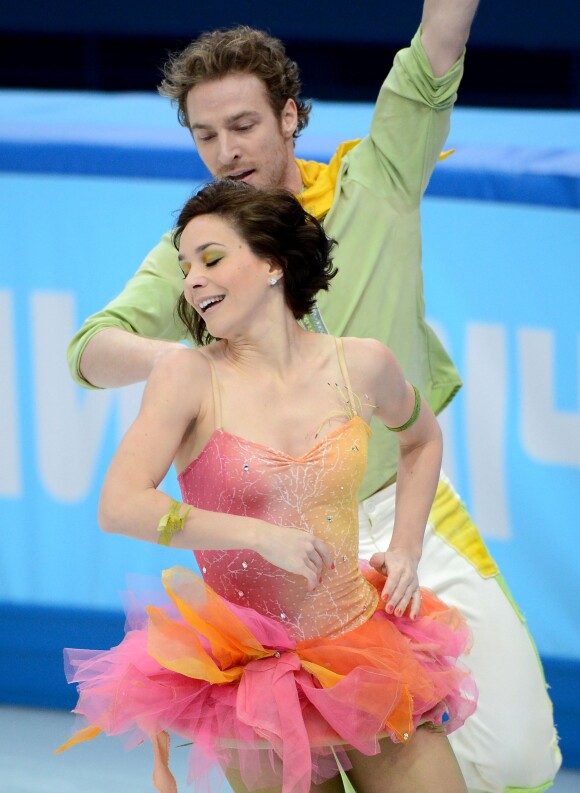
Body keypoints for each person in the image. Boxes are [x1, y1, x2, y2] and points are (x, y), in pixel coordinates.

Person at [66, 4, 561, 792]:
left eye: (244, 125)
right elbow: (91, 350)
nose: (226, 152)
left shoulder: (381, 177)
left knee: (520, 757)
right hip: (278, 549)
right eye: (205, 135)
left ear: (290, 116)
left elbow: (440, 40)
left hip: (403, 509)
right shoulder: (196, 253)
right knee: (303, 766)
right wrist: (187, 363)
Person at [59, 180, 476, 793]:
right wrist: (257, 535)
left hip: (365, 648)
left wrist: (407, 547)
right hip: (250, 679)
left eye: (212, 258)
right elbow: (120, 506)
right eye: (184, 266)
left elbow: (423, 437)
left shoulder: (360, 363)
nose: (193, 280)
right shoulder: (186, 375)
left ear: (275, 263)